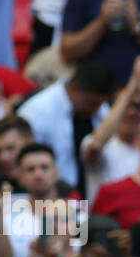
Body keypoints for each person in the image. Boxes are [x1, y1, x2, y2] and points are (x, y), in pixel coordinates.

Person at [17, 61, 115, 194]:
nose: (96, 110)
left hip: (89, 192)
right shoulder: (37, 111)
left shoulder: (100, 108)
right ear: (74, 88)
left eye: (100, 104)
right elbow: (24, 160)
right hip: (48, 194)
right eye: (92, 103)